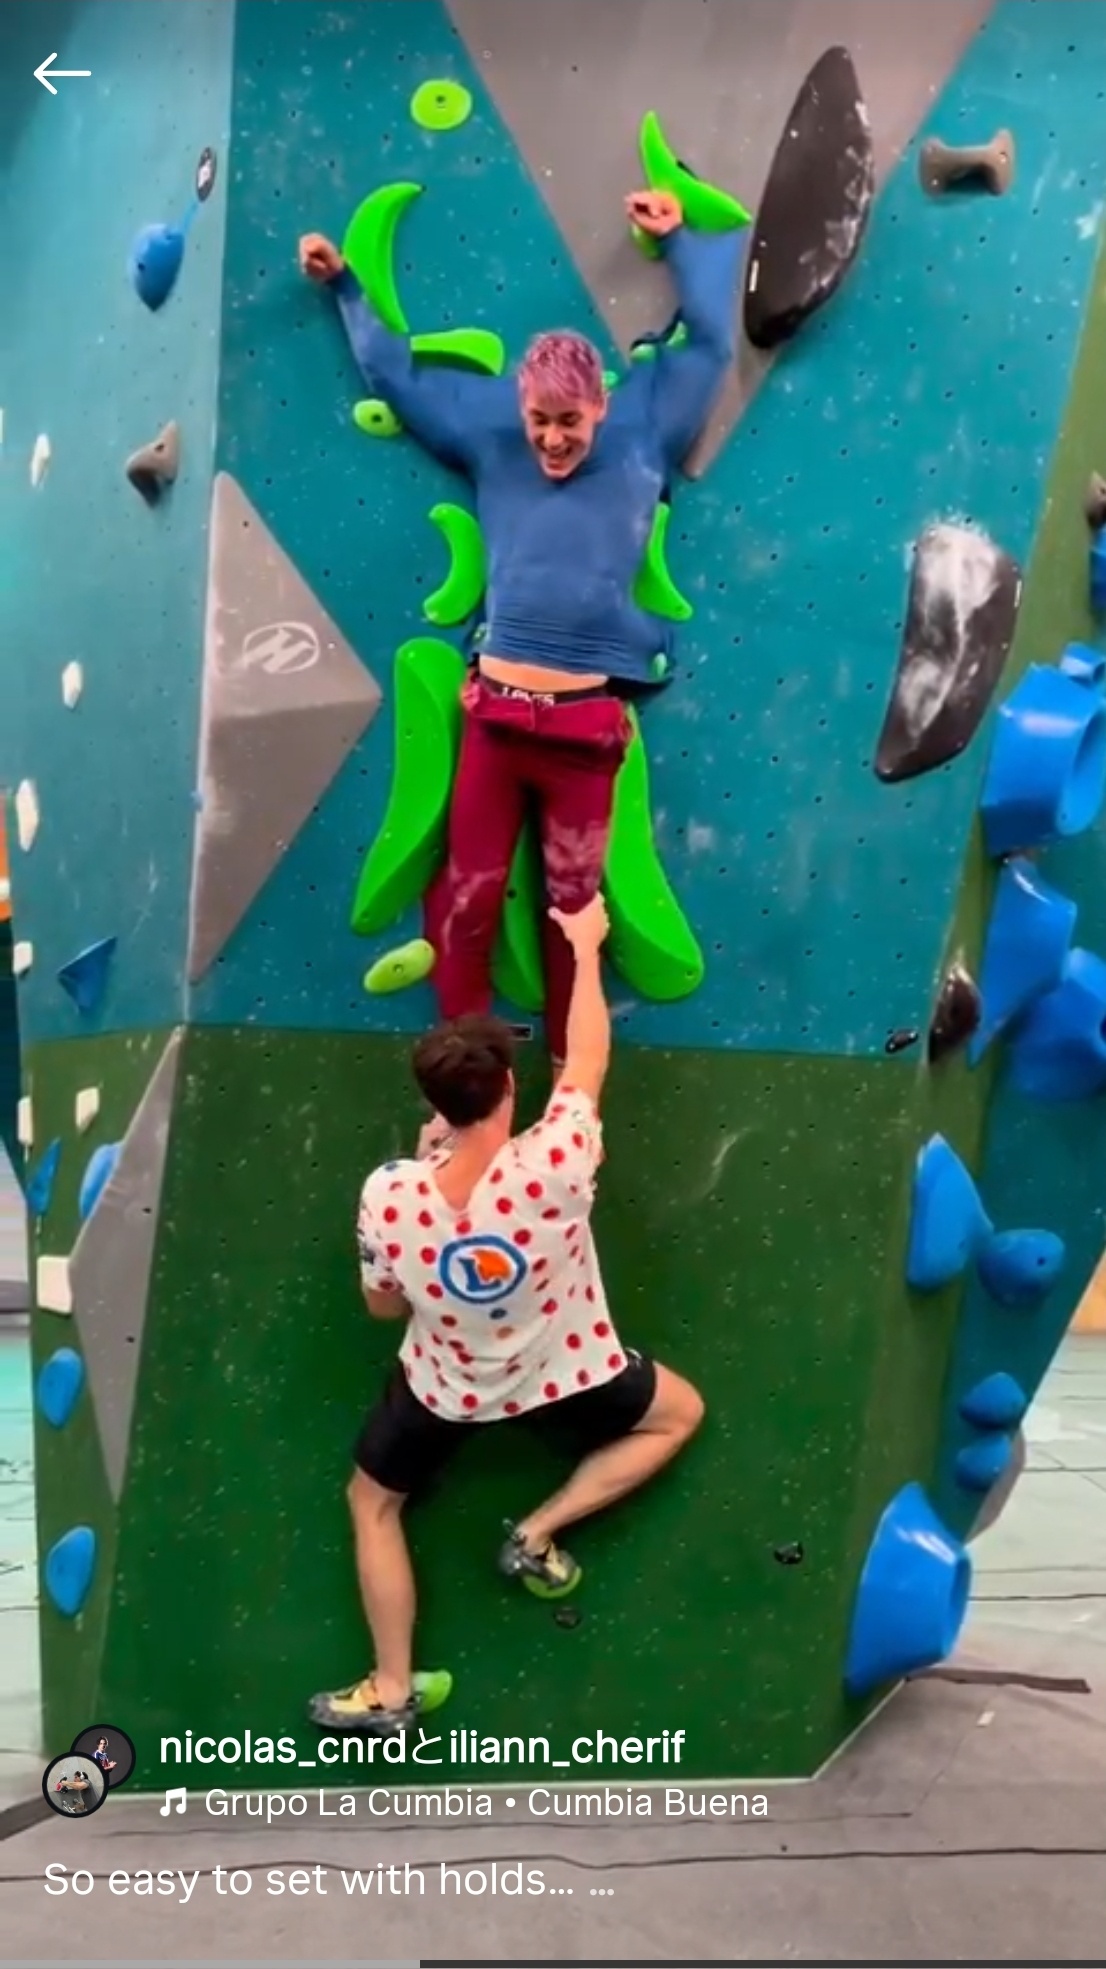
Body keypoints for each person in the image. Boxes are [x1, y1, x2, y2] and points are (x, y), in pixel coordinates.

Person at [299, 190, 741, 1067]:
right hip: (496, 724)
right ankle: (467, 1083)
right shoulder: (494, 435)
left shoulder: (646, 426)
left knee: (574, 918)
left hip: (584, 736)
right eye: (540, 420)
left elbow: (713, 342)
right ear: (521, 407)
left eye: (568, 422)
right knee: (469, 899)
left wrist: (676, 241)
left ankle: (573, 1092)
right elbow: (398, 379)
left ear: (600, 408)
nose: (552, 440)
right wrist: (344, 284)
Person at [309, 894, 704, 1734]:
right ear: (509, 1088)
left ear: (435, 1104)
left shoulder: (390, 1194)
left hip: (443, 1389)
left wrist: (426, 1172)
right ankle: (537, 1532)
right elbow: (587, 1058)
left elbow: (381, 1306)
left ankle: (391, 1689)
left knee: (371, 1504)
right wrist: (585, 947)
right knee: (679, 1414)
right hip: (568, 1372)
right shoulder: (556, 1163)